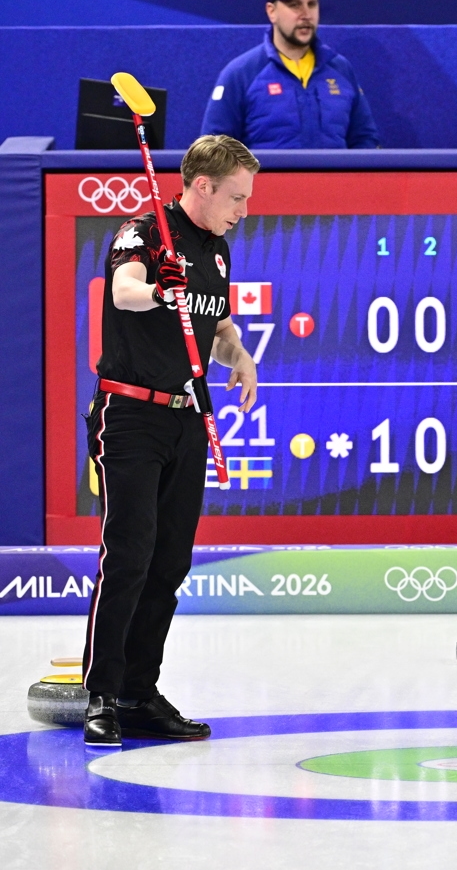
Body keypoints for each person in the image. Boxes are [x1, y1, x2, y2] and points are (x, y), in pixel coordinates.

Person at [83, 135, 261, 747]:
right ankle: (101, 695)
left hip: (188, 417)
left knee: (169, 562)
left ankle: (139, 692)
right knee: (128, 555)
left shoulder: (218, 249)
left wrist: (239, 354)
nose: (244, 209)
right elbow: (123, 292)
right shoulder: (145, 232)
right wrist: (164, 290)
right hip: (129, 415)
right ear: (203, 186)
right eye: (236, 196)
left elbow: (216, 322)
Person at [201, 0, 379, 149]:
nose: (306, 14)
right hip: (265, 177)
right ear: (271, 12)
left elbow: (365, 139)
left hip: (334, 178)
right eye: (295, 5)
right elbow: (215, 150)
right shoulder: (241, 73)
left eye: (312, 4)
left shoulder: (341, 69)